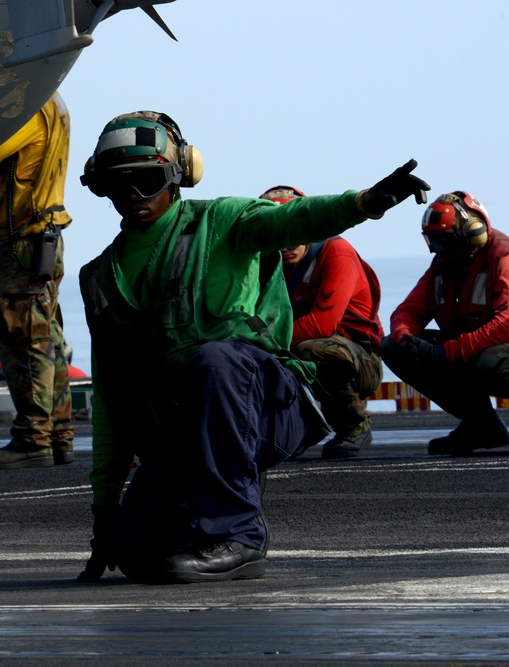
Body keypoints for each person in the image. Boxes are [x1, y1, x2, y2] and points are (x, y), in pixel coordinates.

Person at [74, 110, 429, 584]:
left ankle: (240, 535)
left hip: (263, 409)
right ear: (99, 187)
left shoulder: (223, 222)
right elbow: (112, 400)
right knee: (139, 555)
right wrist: (105, 516)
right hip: (181, 432)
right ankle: (203, 509)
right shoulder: (99, 278)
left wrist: (362, 202)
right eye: (119, 185)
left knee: (216, 357)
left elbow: (293, 219)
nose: (133, 196)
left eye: (148, 180)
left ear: (179, 174)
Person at [0, 92, 75, 470]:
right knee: (48, 337)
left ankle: (32, 439)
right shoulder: (53, 103)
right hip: (44, 236)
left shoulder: (28, 108)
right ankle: (58, 434)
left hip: (24, 238)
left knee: (24, 337)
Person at [259, 186, 384, 459]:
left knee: (309, 350)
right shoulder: (267, 263)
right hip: (300, 345)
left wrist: (263, 344)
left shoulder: (336, 252)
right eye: (280, 235)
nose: (287, 245)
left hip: (356, 357)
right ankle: (301, 429)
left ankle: (354, 425)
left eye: (294, 234)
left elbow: (322, 324)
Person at [380, 191, 509, 456]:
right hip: (470, 348)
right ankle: (482, 425)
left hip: (491, 349)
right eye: (434, 241)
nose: (438, 249)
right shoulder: (443, 266)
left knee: (489, 361)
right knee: (395, 348)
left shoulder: (502, 258)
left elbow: (506, 323)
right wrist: (404, 336)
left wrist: (448, 351)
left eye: (445, 241)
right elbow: (407, 311)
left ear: (474, 233)